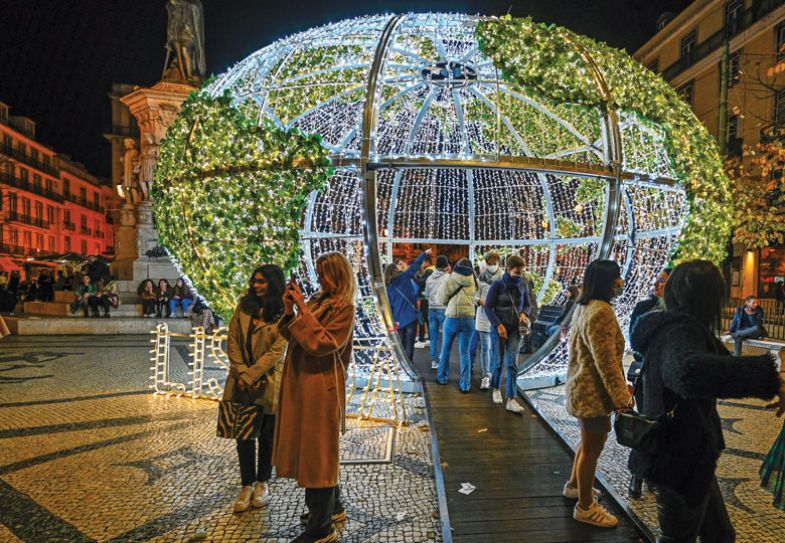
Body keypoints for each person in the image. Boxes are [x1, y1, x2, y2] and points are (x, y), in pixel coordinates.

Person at [630, 260, 785, 542]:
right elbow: (688, 372)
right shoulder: (679, 330)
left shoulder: (681, 328)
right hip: (677, 459)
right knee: (679, 538)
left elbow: (718, 364)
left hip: (689, 456)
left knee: (721, 536)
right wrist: (769, 379)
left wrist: (775, 382)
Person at [274, 252, 355, 543]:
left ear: (338, 275)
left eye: (324, 273)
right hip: (303, 384)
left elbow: (323, 343)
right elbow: (294, 334)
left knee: (317, 453)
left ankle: (321, 529)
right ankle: (332, 508)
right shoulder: (319, 301)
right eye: (318, 273)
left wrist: (302, 311)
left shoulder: (345, 308)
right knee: (315, 450)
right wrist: (289, 311)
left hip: (321, 388)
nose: (319, 279)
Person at [564, 259, 631, 528]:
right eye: (617, 277)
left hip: (583, 387)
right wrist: (622, 398)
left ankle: (574, 486)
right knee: (593, 448)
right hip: (592, 392)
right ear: (609, 281)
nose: (621, 282)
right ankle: (585, 507)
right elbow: (607, 363)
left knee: (587, 444)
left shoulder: (584, 305)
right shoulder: (601, 311)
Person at [225, 265, 288, 513]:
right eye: (255, 281)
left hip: (269, 381)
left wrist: (250, 375)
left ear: (273, 284)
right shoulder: (244, 308)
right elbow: (232, 340)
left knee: (267, 437)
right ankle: (246, 484)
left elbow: (277, 351)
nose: (257, 286)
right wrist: (241, 371)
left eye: (262, 282)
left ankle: (263, 482)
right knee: (243, 437)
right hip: (241, 381)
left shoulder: (282, 312)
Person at [626, 267, 671, 499]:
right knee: (646, 424)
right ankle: (637, 475)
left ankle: (656, 474)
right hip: (647, 376)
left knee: (665, 428)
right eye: (656, 281)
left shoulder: (680, 312)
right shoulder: (644, 307)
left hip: (669, 380)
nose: (656, 285)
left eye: (662, 282)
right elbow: (634, 340)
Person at [484, 255, 532, 414]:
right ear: (508, 269)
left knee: (512, 363)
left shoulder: (523, 285)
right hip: (499, 328)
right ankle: (496, 388)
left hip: (515, 329)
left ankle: (511, 398)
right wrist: (498, 325)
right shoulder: (498, 284)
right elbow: (488, 308)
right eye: (516, 272)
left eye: (521, 272)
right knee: (498, 361)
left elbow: (527, 304)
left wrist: (525, 313)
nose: (519, 275)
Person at [435, 257, 478, 393]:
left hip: (452, 318)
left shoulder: (449, 279)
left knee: (446, 349)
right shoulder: (474, 280)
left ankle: (442, 377)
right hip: (469, 319)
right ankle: (465, 384)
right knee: (464, 352)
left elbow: (440, 299)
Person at [385, 249, 431, 362]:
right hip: (410, 318)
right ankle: (409, 367)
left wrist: (391, 322)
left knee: (401, 345)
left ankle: (402, 367)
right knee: (410, 345)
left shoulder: (388, 287)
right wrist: (424, 253)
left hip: (398, 320)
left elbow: (390, 307)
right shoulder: (404, 277)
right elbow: (415, 265)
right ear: (396, 270)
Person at [474, 251, 503, 391]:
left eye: (494, 264)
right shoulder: (480, 278)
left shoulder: (503, 277)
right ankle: (486, 375)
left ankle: (493, 373)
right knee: (485, 347)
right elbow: (475, 296)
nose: (491, 266)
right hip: (483, 315)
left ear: (498, 263)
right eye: (489, 264)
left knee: (495, 348)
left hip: (497, 317)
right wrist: (479, 300)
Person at [425, 256, 451, 370]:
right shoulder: (447, 278)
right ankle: (443, 358)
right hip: (443, 309)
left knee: (433, 337)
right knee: (446, 336)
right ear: (446, 266)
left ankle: (434, 361)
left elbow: (426, 294)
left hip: (431, 309)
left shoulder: (429, 278)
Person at [413, 255, 434, 348]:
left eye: (422, 263)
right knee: (426, 319)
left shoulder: (429, 271)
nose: (421, 265)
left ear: (426, 262)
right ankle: (428, 338)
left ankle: (422, 340)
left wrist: (413, 277)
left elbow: (421, 283)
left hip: (425, 299)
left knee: (422, 318)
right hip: (428, 298)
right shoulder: (431, 271)